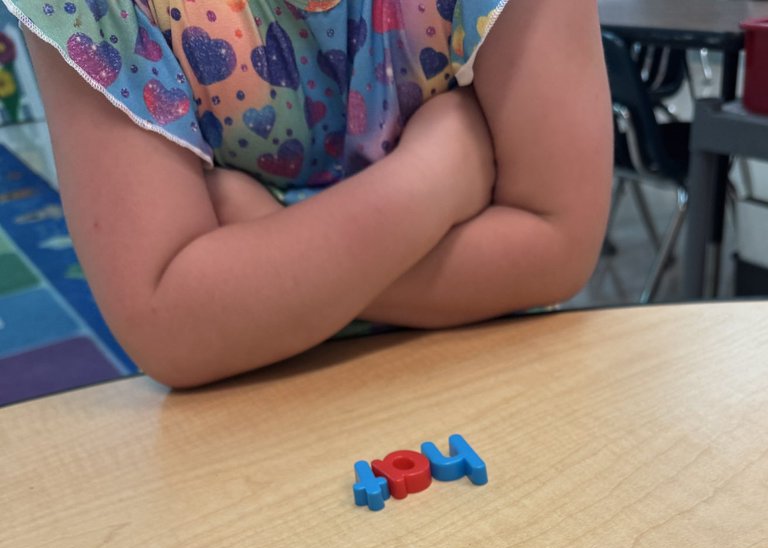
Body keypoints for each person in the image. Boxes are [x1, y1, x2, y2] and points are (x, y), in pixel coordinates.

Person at [8, 0, 612, 387]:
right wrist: (435, 176)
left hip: (493, 382)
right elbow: (168, 325)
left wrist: (264, 244)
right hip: (252, 425)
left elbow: (557, 246)